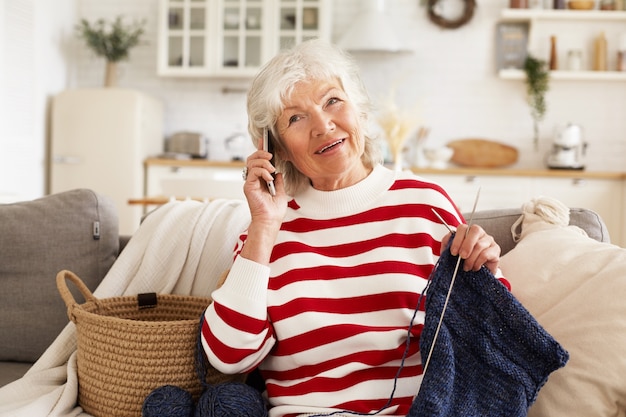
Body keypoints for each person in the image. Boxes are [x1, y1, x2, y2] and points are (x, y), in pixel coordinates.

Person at [200, 39, 505, 417]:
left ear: (358, 110)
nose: (323, 125)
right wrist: (264, 224)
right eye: (296, 118)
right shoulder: (266, 231)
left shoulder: (425, 204)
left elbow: (491, 338)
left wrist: (487, 270)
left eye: (332, 101)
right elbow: (229, 356)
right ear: (275, 149)